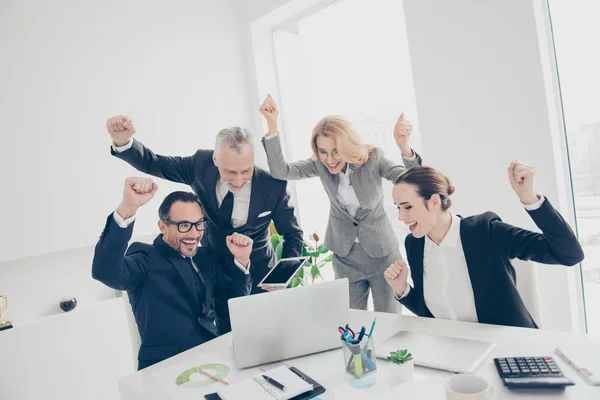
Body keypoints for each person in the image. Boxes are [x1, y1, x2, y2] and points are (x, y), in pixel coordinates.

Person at [105, 116, 304, 332]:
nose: (238, 180)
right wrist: (125, 143)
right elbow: (156, 163)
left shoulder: (273, 185)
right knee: (227, 338)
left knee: (269, 335)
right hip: (215, 272)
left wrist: (280, 278)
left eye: (246, 171)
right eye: (230, 172)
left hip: (260, 276)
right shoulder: (200, 165)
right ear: (216, 160)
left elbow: (293, 235)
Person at [259, 94, 422, 313]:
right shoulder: (319, 165)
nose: (329, 159)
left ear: (348, 144)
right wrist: (272, 125)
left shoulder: (373, 158)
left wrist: (405, 148)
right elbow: (281, 171)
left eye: (335, 151)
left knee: (389, 321)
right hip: (345, 256)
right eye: (323, 152)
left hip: (383, 255)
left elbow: (410, 181)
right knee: (351, 324)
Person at [385, 162, 585, 328]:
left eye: (408, 207)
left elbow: (569, 254)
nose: (401, 217)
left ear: (434, 201)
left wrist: (530, 199)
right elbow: (432, 314)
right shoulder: (414, 244)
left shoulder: (485, 231)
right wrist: (403, 290)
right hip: (452, 349)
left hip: (505, 346)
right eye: (398, 208)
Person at [92, 177, 254, 369]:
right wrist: (128, 208)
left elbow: (233, 303)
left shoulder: (205, 257)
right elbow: (105, 271)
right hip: (167, 369)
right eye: (184, 225)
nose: (194, 234)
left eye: (198, 224)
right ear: (163, 227)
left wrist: (242, 260)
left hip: (215, 359)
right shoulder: (145, 256)